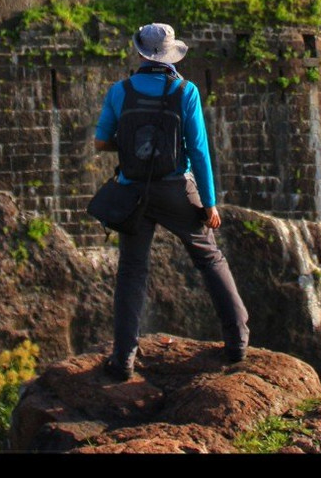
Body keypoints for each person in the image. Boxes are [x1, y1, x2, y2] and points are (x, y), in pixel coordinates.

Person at [94, 22, 249, 380]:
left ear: (140, 53)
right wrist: (209, 202)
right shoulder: (185, 90)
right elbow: (198, 149)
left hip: (133, 191)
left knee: (132, 271)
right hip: (177, 187)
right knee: (210, 258)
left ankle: (123, 359)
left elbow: (101, 143)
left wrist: (135, 149)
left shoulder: (121, 90)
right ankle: (238, 341)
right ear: (170, 54)